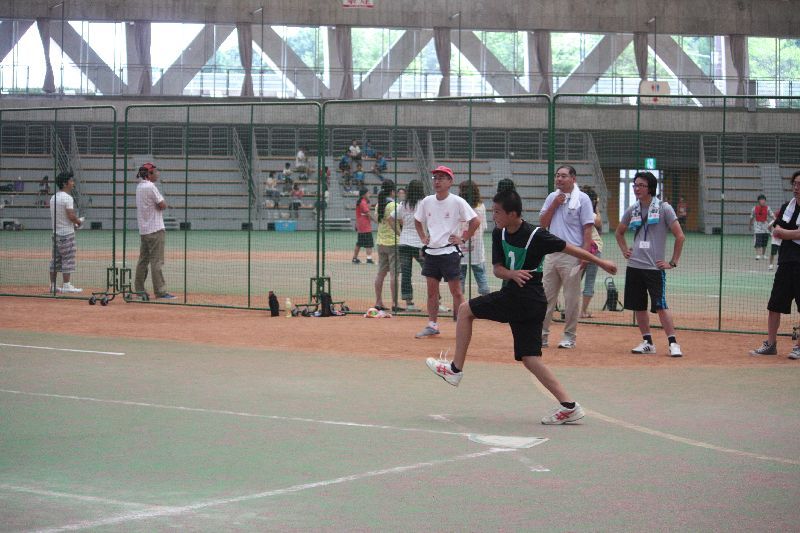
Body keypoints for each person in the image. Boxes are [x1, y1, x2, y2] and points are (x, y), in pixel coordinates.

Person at [424, 189, 618, 424]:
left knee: (465, 310)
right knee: (530, 358)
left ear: (513, 214)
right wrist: (511, 274)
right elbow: (498, 269)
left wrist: (600, 261)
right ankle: (569, 406)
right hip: (527, 300)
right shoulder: (499, 233)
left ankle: (455, 370)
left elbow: (567, 247)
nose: (494, 216)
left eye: (498, 212)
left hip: (523, 298)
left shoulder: (535, 234)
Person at [615, 171, 686, 357]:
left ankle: (673, 343)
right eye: (635, 185)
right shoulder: (633, 209)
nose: (637, 188)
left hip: (654, 268)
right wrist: (625, 250)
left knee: (660, 306)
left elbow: (680, 236)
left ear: (651, 188)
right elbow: (619, 232)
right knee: (639, 306)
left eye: (641, 185)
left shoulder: (664, 208)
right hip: (634, 266)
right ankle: (647, 342)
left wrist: (673, 262)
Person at [414, 165, 480, 338]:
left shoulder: (457, 201)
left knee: (456, 292)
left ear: (450, 182)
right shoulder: (427, 201)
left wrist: (463, 238)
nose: (437, 181)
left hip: (450, 253)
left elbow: (475, 221)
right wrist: (423, 237)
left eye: (442, 178)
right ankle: (432, 325)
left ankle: (462, 325)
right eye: (435, 178)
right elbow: (417, 220)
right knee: (432, 293)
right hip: (431, 253)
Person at [538, 164, 595, 349]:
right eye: (557, 176)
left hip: (573, 255)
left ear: (573, 179)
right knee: (545, 297)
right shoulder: (552, 197)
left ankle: (569, 337)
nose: (559, 179)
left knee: (571, 299)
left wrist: (584, 255)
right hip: (551, 254)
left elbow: (588, 229)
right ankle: (541, 335)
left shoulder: (583, 199)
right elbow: (543, 223)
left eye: (563, 176)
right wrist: (554, 204)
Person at [750, 170, 800, 359]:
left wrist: (786, 233)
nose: (796, 187)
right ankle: (771, 345)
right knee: (774, 305)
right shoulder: (787, 206)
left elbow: (786, 232)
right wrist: (790, 233)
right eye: (795, 184)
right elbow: (777, 228)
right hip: (785, 262)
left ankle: (798, 347)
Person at [134, 162, 175, 300]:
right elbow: (162, 205)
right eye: (155, 172)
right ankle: (160, 291)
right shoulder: (151, 187)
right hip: (156, 229)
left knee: (142, 261)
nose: (157, 174)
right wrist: (160, 204)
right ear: (149, 174)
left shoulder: (139, 187)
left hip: (144, 230)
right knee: (156, 262)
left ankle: (139, 290)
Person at [48, 171, 83, 293]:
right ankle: (67, 285)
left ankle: (53, 285)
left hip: (56, 234)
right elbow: (71, 216)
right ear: (65, 183)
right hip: (67, 234)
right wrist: (79, 222)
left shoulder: (53, 198)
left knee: (55, 260)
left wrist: (74, 222)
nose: (73, 183)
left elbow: (62, 217)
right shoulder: (67, 198)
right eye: (71, 181)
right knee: (68, 259)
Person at [397, 179, 426, 311]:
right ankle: (437, 302)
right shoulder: (424, 203)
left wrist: (400, 232)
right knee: (430, 273)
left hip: (404, 243)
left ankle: (409, 303)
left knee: (406, 274)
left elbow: (392, 218)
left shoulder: (403, 204)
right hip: (420, 243)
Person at [458, 180, 490, 297]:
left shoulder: (459, 207)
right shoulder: (481, 207)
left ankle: (459, 303)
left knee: (460, 278)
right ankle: (486, 300)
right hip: (477, 248)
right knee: (481, 275)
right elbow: (484, 226)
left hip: (461, 247)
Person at [374, 180, 401, 311]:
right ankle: (395, 303)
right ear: (392, 191)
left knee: (381, 273)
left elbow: (377, 219)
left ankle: (378, 301)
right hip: (393, 242)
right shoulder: (394, 205)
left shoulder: (379, 204)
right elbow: (399, 221)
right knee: (394, 275)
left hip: (381, 242)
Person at [580, 187, 604, 318]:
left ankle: (571, 310)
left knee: (574, 280)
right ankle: (583, 311)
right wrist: (597, 208)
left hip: (578, 249)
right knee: (589, 280)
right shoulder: (588, 211)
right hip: (593, 249)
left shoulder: (574, 209)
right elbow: (599, 222)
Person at [352, 187, 374, 264]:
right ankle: (369, 259)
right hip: (365, 226)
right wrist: (376, 220)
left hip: (361, 225)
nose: (369, 194)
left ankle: (354, 258)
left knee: (359, 243)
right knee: (369, 243)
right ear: (364, 194)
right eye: (368, 193)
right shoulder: (363, 202)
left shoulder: (361, 202)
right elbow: (368, 213)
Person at [750, 194, 774, 260]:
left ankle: (763, 255)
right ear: (758, 201)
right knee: (758, 240)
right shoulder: (754, 208)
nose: (763, 201)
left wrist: (775, 219)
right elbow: (751, 217)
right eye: (761, 200)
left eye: (764, 200)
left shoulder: (768, 208)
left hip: (766, 227)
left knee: (765, 241)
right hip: (757, 227)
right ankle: (758, 255)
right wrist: (750, 225)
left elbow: (772, 215)